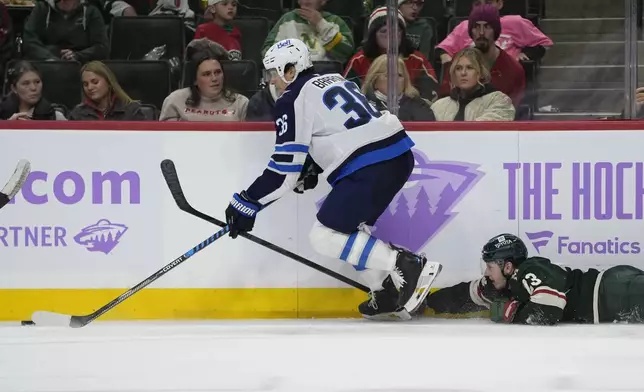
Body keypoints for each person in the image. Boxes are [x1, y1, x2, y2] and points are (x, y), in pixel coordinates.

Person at [223, 38, 435, 319]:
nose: (272, 81)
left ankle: (406, 264)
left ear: (290, 70)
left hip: (369, 165)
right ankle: (384, 289)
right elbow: (337, 128)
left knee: (324, 236)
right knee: (351, 230)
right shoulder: (334, 79)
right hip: (398, 155)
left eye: (274, 72)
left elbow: (283, 172)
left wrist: (247, 202)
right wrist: (311, 166)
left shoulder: (292, 99)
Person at [425, 233, 644, 325]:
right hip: (612, 293)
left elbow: (548, 311)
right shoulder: (501, 282)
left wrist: (512, 312)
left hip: (615, 293)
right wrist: (425, 303)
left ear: (508, 266)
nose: (485, 273)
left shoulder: (529, 270)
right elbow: (467, 294)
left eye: (490, 267)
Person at [431, 48, 515, 121]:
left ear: (481, 72)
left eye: (470, 68)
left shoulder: (499, 101)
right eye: (458, 68)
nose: (463, 73)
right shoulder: (439, 106)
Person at [362, 54, 435, 122]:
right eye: (388, 75)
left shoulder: (419, 106)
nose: (394, 79)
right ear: (375, 81)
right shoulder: (363, 105)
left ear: (405, 81)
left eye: (399, 75)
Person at [69, 61, 146, 121]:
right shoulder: (77, 114)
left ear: (108, 82)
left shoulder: (132, 111)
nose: (90, 87)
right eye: (85, 84)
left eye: (95, 82)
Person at [0, 61, 67, 121]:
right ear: (14, 88)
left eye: (37, 82)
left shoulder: (55, 117)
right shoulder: (2, 114)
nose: (33, 88)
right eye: (26, 83)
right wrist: (7, 126)